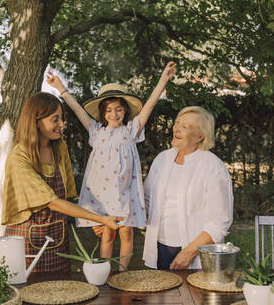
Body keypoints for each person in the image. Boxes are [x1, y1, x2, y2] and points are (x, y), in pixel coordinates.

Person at [46, 62, 177, 270]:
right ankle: (105, 271)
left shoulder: (131, 130)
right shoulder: (96, 131)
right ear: (102, 112)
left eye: (118, 109)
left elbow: (150, 104)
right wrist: (60, 88)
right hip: (103, 197)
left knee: (126, 233)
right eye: (108, 110)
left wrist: (163, 79)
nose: (113, 114)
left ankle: (122, 272)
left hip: (125, 193)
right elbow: (77, 109)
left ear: (125, 111)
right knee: (107, 234)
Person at [1, 92, 123, 273]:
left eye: (62, 119)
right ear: (36, 121)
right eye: (55, 119)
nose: (62, 124)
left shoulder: (59, 147)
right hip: (26, 243)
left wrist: (94, 220)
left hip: (58, 239)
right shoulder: (18, 157)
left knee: (61, 291)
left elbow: (68, 197)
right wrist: (100, 218)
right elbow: (52, 201)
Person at [142, 106, 234, 270]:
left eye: (184, 127)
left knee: (191, 295)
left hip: (193, 252)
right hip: (158, 247)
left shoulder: (213, 166)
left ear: (200, 136)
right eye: (177, 123)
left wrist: (188, 253)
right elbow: (145, 200)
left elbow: (220, 222)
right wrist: (110, 221)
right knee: (159, 294)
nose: (176, 129)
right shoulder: (162, 158)